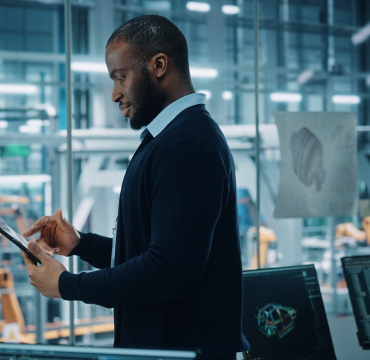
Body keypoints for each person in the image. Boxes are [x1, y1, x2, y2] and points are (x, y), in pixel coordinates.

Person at [20, 15, 249, 360]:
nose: (115, 94)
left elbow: (168, 270)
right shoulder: (170, 139)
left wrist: (68, 285)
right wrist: (82, 244)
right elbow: (158, 250)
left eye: (121, 77)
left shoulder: (187, 144)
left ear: (158, 65)